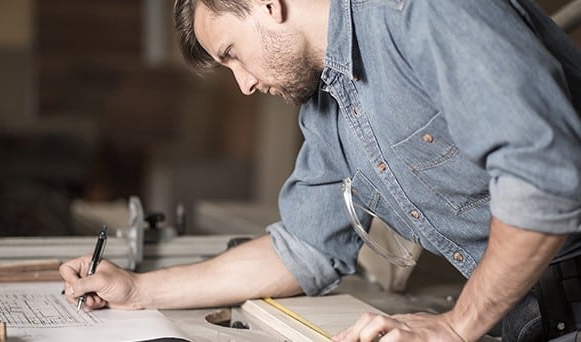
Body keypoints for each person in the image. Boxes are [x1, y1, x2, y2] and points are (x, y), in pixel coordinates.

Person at [60, 0, 581, 340]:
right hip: (528, 317)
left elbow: (545, 174)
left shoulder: (422, 10)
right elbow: (304, 248)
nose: (243, 84)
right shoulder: (327, 103)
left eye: (233, 54)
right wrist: (138, 289)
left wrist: (458, 325)